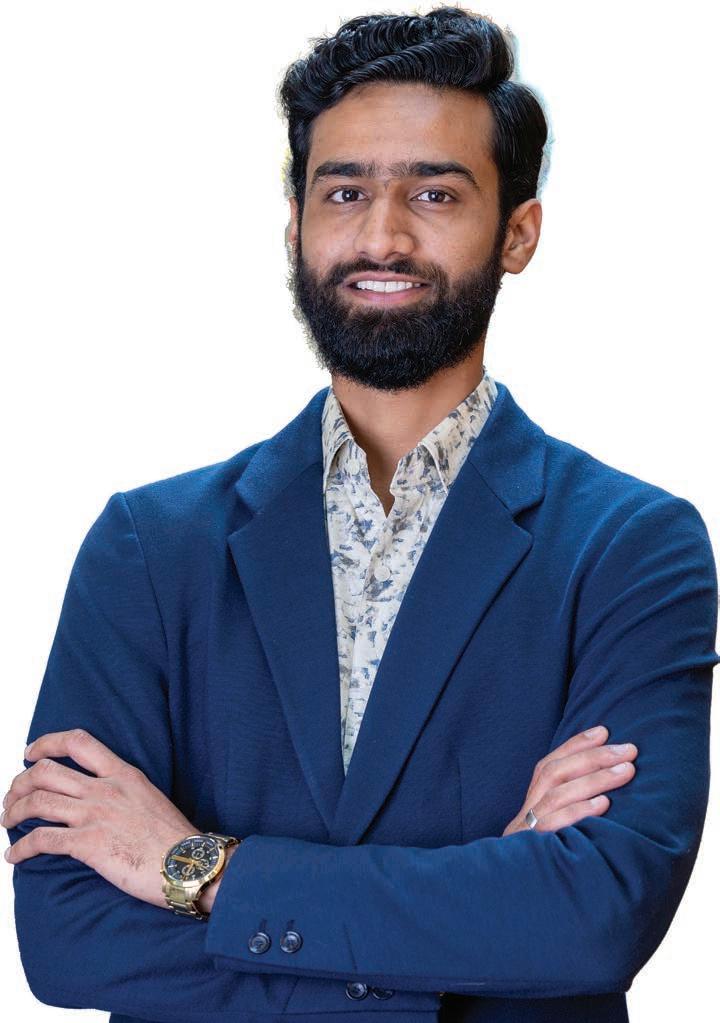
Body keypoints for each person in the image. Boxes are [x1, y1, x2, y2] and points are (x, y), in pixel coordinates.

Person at [3, 7, 718, 1023]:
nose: (383, 235)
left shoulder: (630, 549)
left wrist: (196, 868)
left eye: (435, 193)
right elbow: (69, 937)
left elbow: (594, 919)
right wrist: (484, 910)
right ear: (294, 224)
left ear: (518, 232)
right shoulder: (147, 549)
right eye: (344, 191)